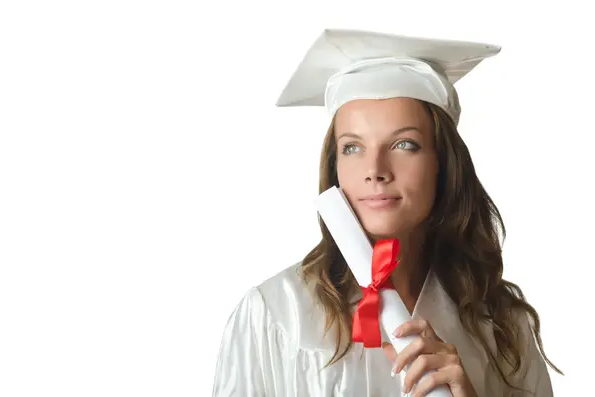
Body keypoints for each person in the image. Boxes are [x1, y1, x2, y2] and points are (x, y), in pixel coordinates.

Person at [211, 28, 562, 397]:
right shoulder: (277, 315)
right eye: (352, 148)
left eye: (404, 144)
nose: (375, 169)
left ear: (444, 163)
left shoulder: (502, 324)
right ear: (334, 166)